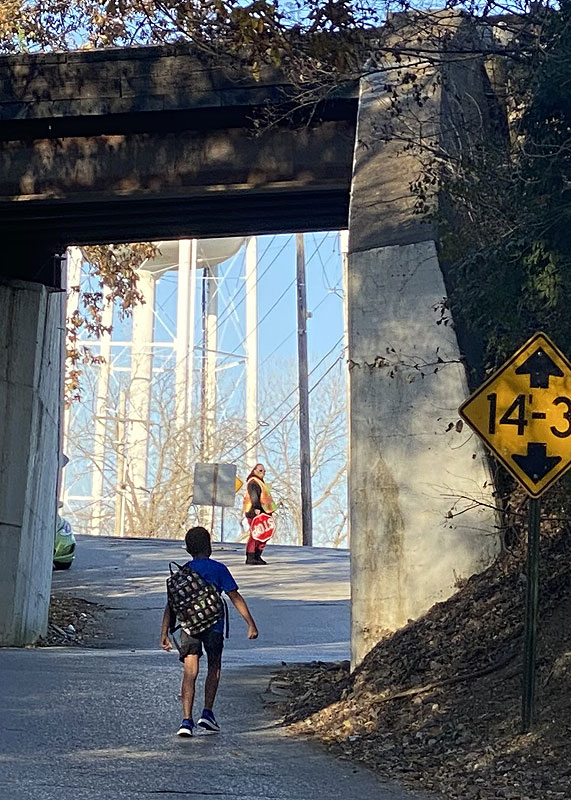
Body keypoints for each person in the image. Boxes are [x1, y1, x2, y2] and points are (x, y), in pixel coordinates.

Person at [160, 526, 258, 737]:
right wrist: (250, 623)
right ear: (209, 547)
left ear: (188, 550)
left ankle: (186, 721)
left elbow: (171, 604)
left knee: (190, 671)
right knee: (214, 664)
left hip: (189, 626)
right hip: (214, 625)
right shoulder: (218, 569)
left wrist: (164, 633)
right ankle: (208, 713)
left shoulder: (183, 572)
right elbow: (235, 597)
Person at [242, 463, 277, 565]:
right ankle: (251, 555)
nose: (263, 473)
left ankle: (258, 555)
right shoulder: (253, 482)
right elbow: (254, 496)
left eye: (264, 471)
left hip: (264, 512)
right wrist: (256, 508)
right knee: (256, 534)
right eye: (260, 471)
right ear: (254, 471)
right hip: (254, 512)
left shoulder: (261, 483)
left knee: (265, 534)